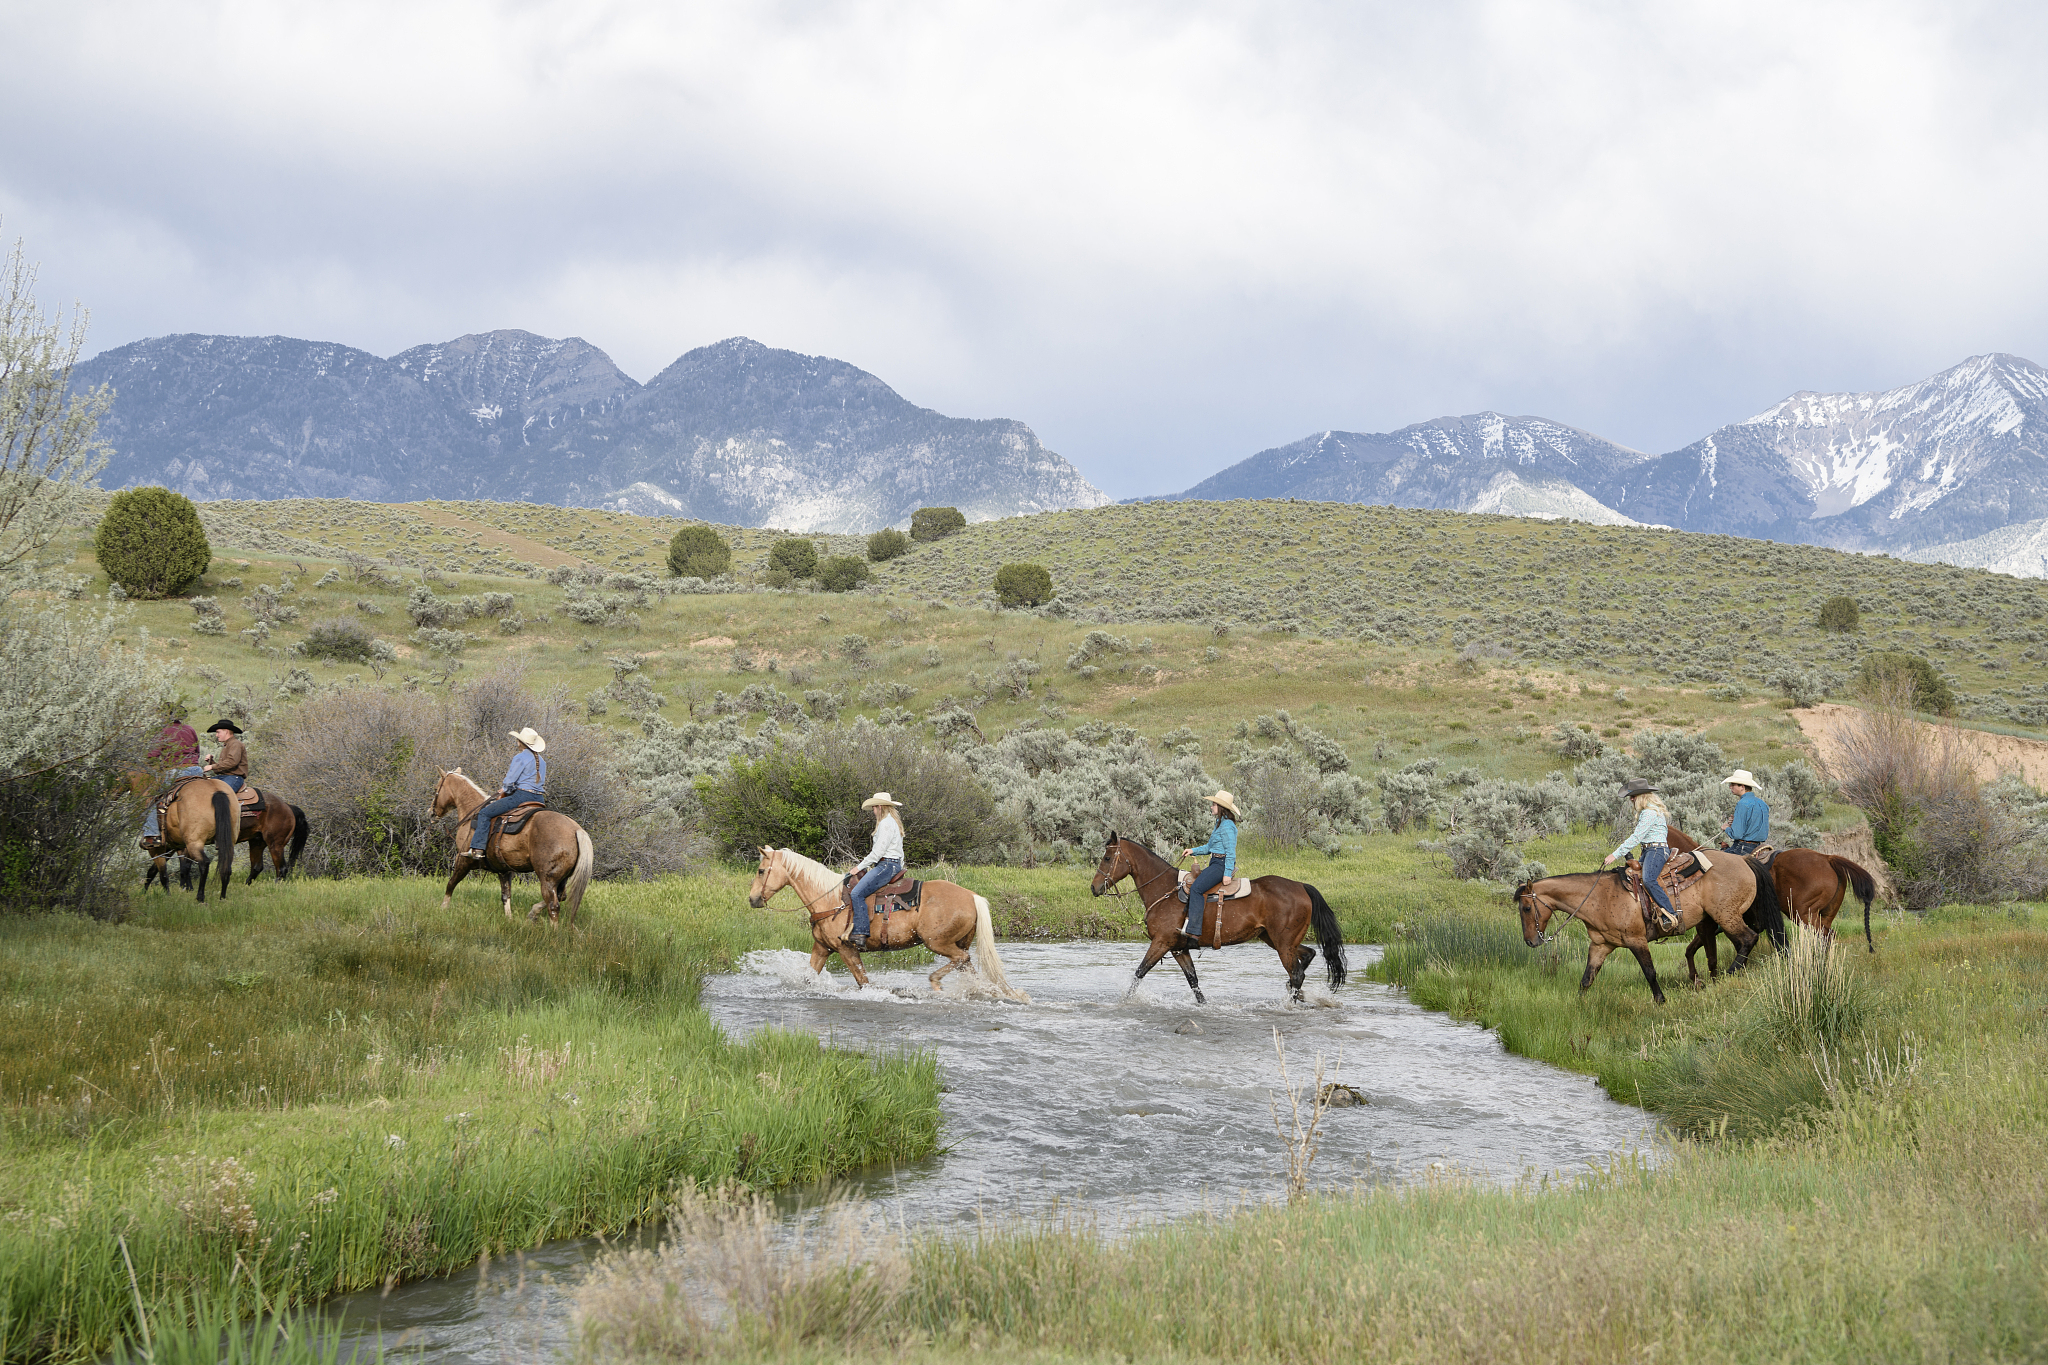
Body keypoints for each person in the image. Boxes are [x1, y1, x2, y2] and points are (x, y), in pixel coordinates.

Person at [1602, 779, 1681, 936]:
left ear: (1642, 796)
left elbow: (1636, 837)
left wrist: (1615, 854)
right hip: (1649, 850)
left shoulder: (1649, 813)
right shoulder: (1651, 811)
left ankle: (1671, 914)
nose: (1631, 799)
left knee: (1649, 879)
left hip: (1656, 850)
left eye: (1633, 796)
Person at [460, 728, 548, 863]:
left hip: (521, 796)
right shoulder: (541, 761)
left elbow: (510, 781)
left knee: (485, 813)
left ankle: (477, 849)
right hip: (539, 799)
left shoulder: (520, 757)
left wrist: (506, 789)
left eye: (518, 740)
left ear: (521, 742)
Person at [845, 792, 904, 951]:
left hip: (885, 865)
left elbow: (878, 853)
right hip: (893, 864)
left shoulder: (885, 824)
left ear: (879, 807)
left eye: (874, 808)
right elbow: (900, 851)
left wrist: (859, 867)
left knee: (856, 893)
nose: (873, 811)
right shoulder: (893, 823)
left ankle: (861, 933)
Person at [1180, 789, 1241, 943]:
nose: (1211, 807)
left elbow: (1230, 851)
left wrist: (1227, 872)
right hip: (1215, 862)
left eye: (1214, 804)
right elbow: (1210, 848)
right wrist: (1193, 850)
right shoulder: (1219, 823)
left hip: (1220, 864)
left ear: (1220, 807)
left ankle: (1194, 934)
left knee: (1196, 888)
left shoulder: (1227, 826)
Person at [141, 702, 204, 846]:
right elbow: (197, 751)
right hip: (195, 770)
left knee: (149, 797)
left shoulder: (164, 731)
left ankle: (152, 835)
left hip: (175, 771)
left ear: (165, 716)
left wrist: (149, 761)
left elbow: (153, 755)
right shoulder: (190, 729)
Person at [1719, 769, 1770, 855]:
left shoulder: (1742, 804)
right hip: (1758, 847)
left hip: (1742, 848)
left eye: (1733, 784)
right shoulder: (1763, 803)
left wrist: (1727, 828)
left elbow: (1737, 834)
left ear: (1742, 787)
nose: (1730, 787)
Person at [202, 720, 248, 792]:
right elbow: (223, 767)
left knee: (222, 795)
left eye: (218, 732)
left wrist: (211, 766)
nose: (216, 735)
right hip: (224, 777)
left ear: (226, 731)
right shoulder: (228, 745)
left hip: (234, 778)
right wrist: (211, 761)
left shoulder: (235, 744)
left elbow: (232, 762)